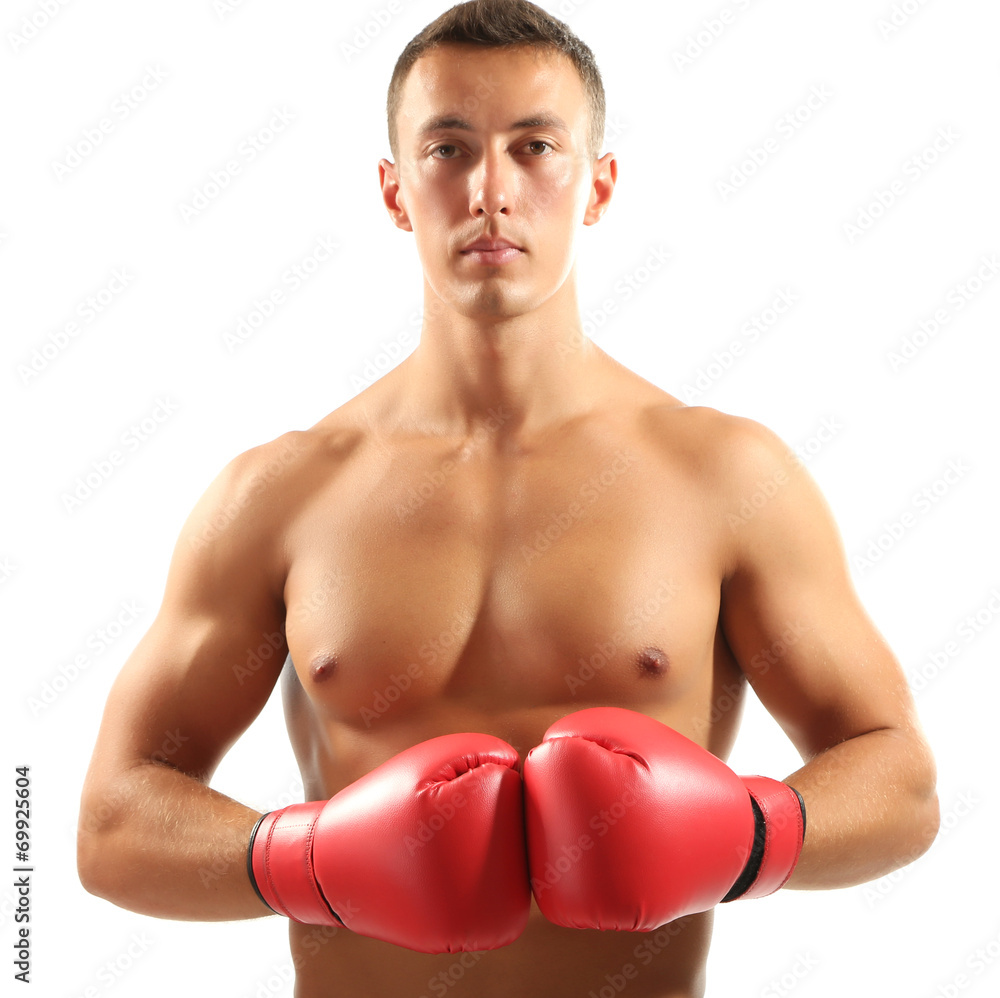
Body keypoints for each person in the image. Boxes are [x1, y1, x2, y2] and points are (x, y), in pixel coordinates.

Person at [76, 2, 939, 995]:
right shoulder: (280, 494)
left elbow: (901, 782)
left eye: (535, 147)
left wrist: (746, 836)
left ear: (597, 185)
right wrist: (306, 860)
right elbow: (112, 823)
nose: (490, 191)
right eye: (448, 149)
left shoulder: (725, 477)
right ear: (396, 192)